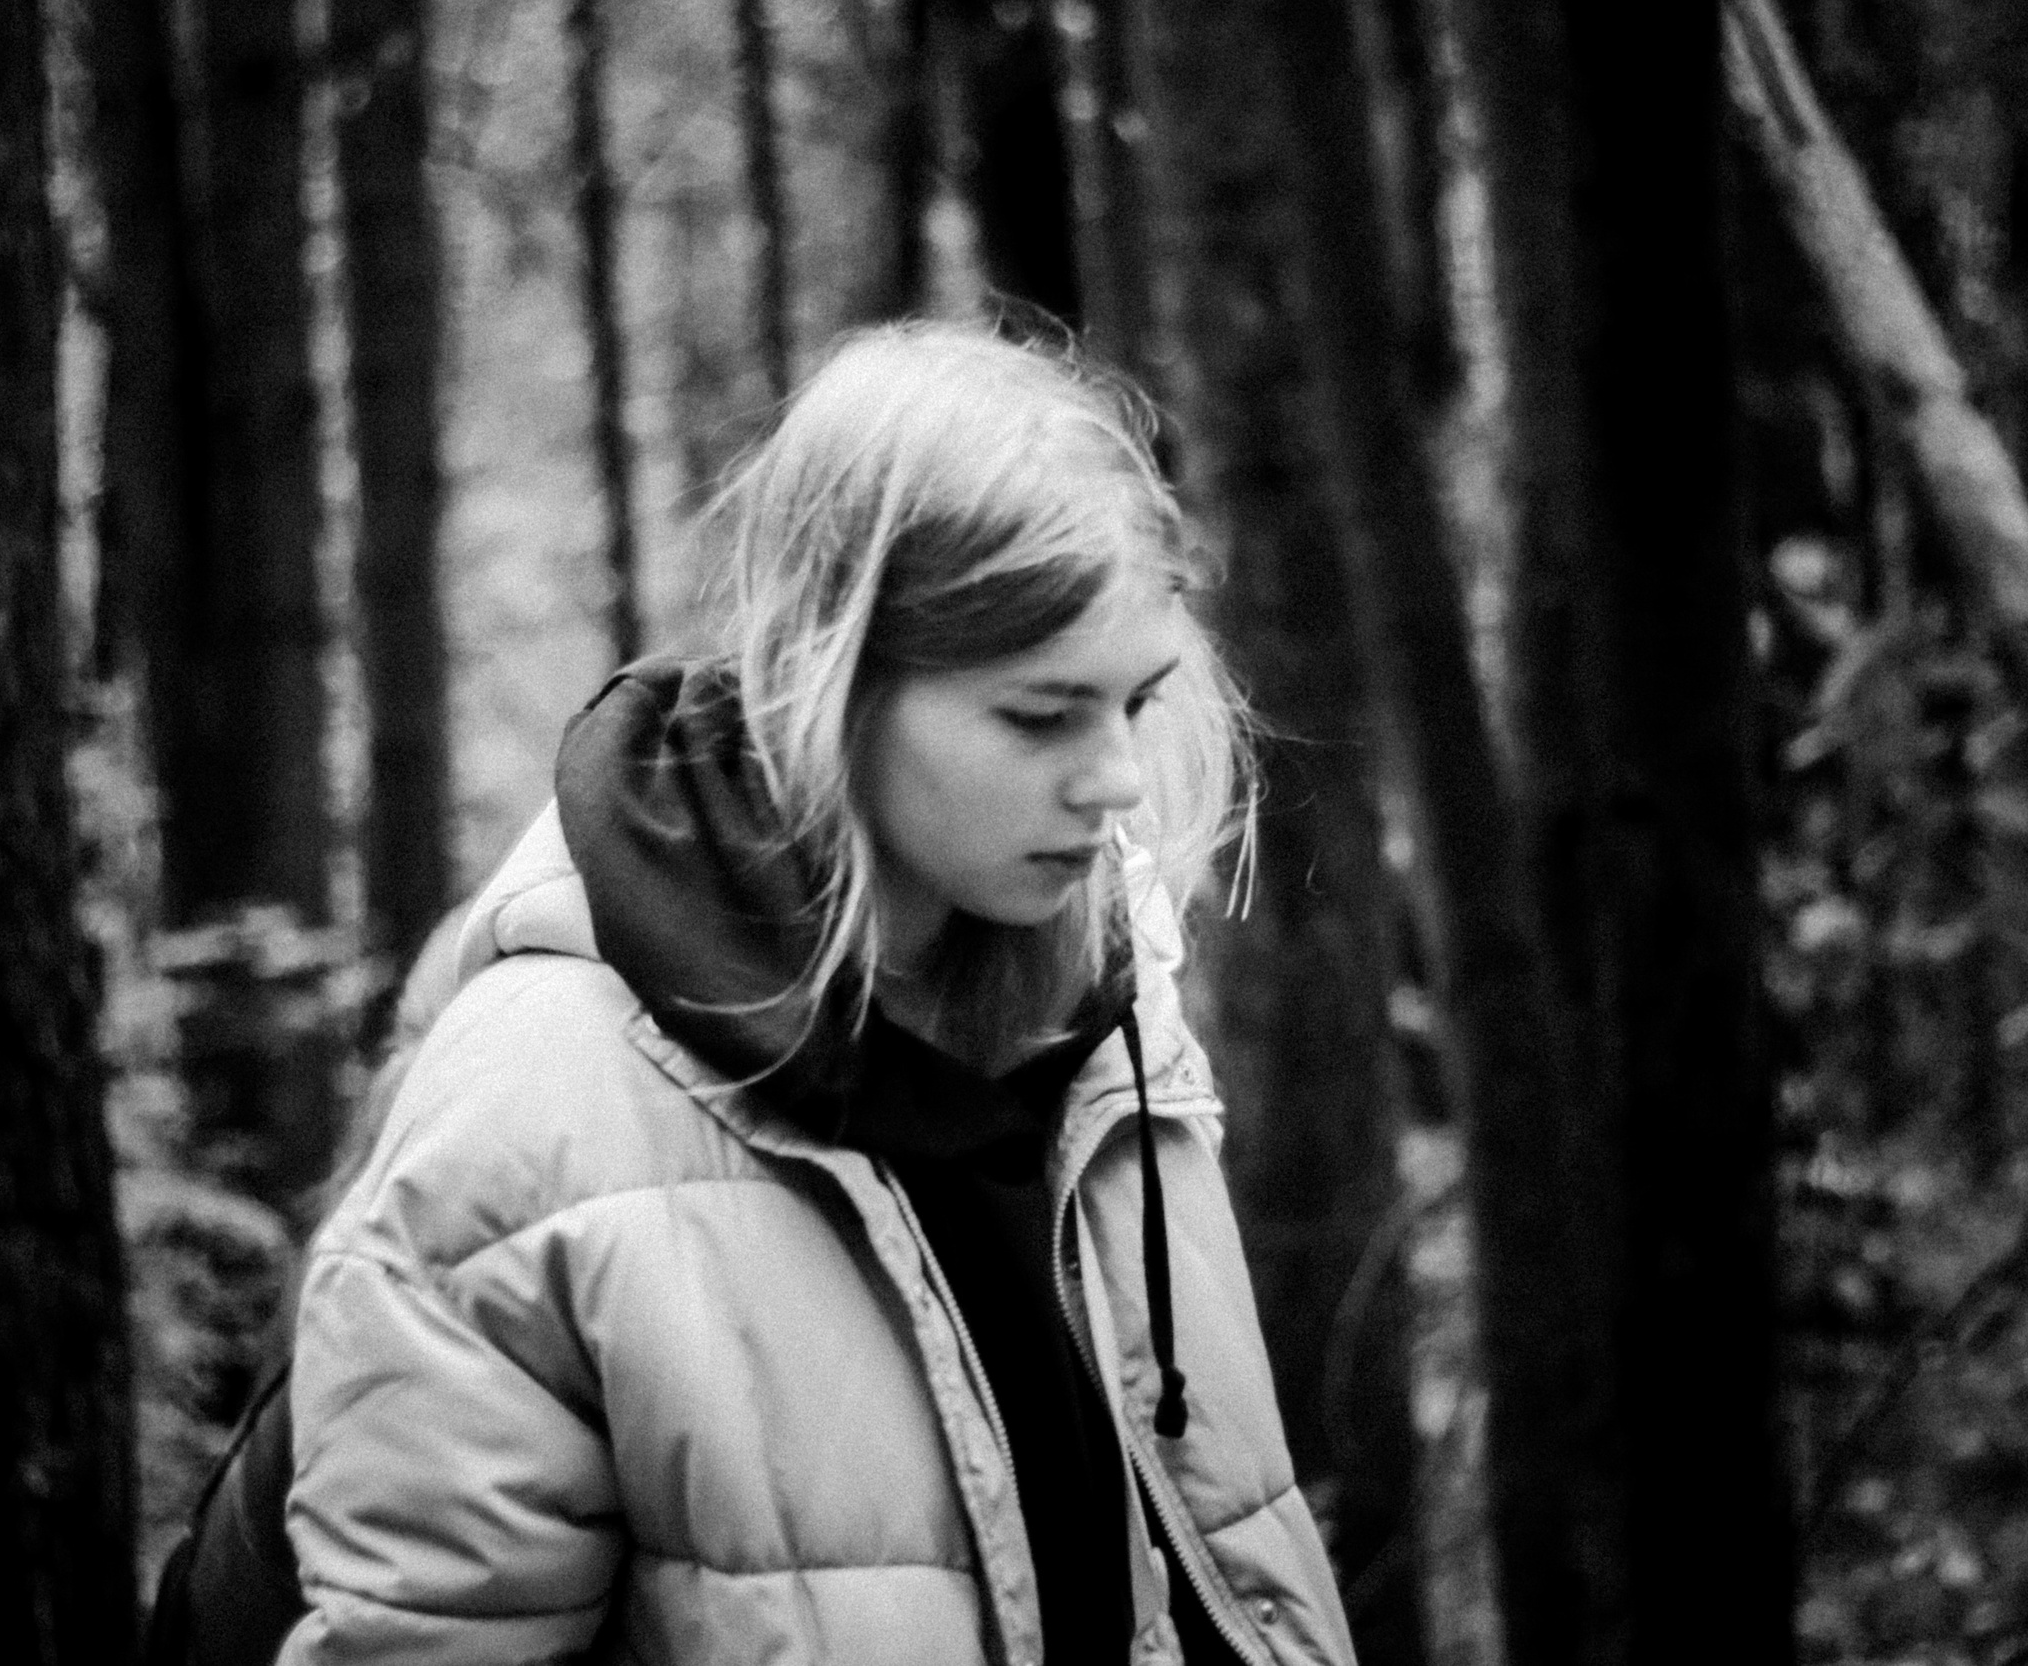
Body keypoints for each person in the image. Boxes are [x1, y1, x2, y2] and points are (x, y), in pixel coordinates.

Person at [270, 323, 1354, 1665]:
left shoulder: (1111, 1024)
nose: (1118, 780)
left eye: (1136, 704)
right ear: (828, 676)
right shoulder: (530, 1118)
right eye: (1039, 716)